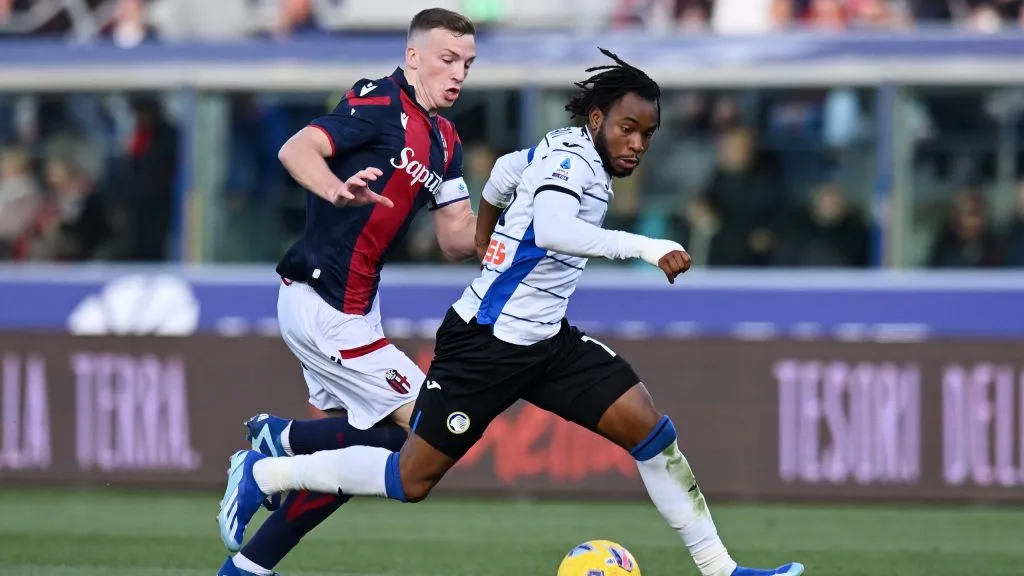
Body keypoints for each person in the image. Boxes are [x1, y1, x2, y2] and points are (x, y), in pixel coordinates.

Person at [219, 48, 805, 576]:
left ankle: (722, 571)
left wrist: (486, 237)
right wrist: (646, 247)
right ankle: (266, 472)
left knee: (653, 434)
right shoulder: (573, 164)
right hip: (486, 343)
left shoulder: (561, 148)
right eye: (628, 129)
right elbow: (552, 229)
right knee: (409, 478)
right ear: (597, 120)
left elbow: (501, 171)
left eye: (648, 134)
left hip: (547, 343)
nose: (637, 144)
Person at [215, 8, 525, 576]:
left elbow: (458, 238)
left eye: (468, 64)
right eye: (447, 60)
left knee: (353, 458)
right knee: (432, 422)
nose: (458, 74)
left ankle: (247, 567)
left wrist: (521, 225)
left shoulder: (445, 138)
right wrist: (336, 190)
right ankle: (274, 446)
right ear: (413, 58)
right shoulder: (377, 101)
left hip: (356, 308)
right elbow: (295, 150)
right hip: (321, 302)